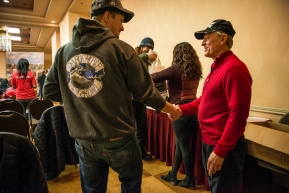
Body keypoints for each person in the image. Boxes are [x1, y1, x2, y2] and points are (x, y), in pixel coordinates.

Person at [43, 0, 181, 192]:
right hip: (118, 139)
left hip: (84, 140)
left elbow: (48, 90)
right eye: (121, 20)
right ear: (107, 16)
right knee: (131, 186)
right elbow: (146, 93)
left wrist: (80, 95)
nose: (123, 27)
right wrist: (171, 109)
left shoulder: (62, 52)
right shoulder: (122, 49)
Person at [170, 20, 252, 193]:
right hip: (210, 142)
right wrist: (181, 110)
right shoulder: (217, 66)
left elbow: (238, 116)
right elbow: (203, 100)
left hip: (224, 147)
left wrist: (221, 151)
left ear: (222, 39)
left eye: (207, 38)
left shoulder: (234, 68)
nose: (202, 42)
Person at [151, 42, 203, 189]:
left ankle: (190, 180)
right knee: (180, 144)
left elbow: (154, 76)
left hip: (179, 110)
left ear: (177, 54)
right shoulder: (195, 69)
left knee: (184, 145)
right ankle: (173, 174)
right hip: (193, 110)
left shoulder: (176, 69)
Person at [133, 37, 157, 161]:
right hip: (130, 98)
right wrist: (147, 57)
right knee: (131, 127)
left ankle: (140, 151)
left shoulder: (146, 60)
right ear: (141, 46)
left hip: (141, 98)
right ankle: (132, 153)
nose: (148, 50)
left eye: (150, 48)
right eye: (146, 47)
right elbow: (131, 62)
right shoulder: (134, 54)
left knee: (142, 127)